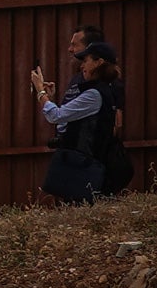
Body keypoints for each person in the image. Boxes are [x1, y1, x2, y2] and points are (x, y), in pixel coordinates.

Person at [32, 42, 125, 206]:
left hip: (83, 167)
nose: (82, 66)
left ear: (98, 62)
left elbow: (55, 116)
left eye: (86, 61)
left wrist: (40, 91)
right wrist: (49, 98)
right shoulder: (102, 90)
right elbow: (65, 124)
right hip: (83, 167)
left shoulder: (94, 94)